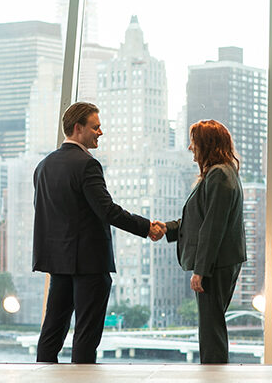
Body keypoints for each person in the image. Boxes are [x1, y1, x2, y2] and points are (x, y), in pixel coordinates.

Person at [32, 102, 165, 364]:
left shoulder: (43, 166)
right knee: (86, 334)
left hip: (58, 263)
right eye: (96, 126)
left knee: (51, 332)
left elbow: (45, 213)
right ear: (78, 128)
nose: (100, 132)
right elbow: (107, 211)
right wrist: (146, 227)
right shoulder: (87, 165)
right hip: (89, 263)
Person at [158, 119, 246, 363]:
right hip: (221, 261)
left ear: (207, 145)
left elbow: (213, 227)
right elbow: (201, 219)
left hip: (215, 264)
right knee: (212, 324)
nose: (190, 148)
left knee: (210, 327)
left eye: (194, 142)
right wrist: (168, 228)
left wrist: (201, 270)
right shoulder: (224, 173)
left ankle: (213, 374)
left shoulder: (219, 175)